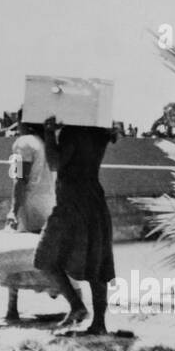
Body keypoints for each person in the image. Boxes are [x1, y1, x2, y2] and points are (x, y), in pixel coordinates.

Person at [32, 116, 117, 332]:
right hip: (93, 201)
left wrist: (49, 133)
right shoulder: (100, 132)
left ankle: (77, 306)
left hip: (71, 203)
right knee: (97, 265)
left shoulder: (73, 132)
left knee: (45, 257)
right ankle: (98, 322)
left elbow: (54, 163)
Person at [1, 114, 76, 321]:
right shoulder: (47, 143)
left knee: (15, 255)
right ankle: (74, 300)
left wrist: (13, 210)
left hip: (30, 204)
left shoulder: (23, 144)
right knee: (54, 253)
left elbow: (19, 179)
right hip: (50, 203)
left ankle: (12, 308)